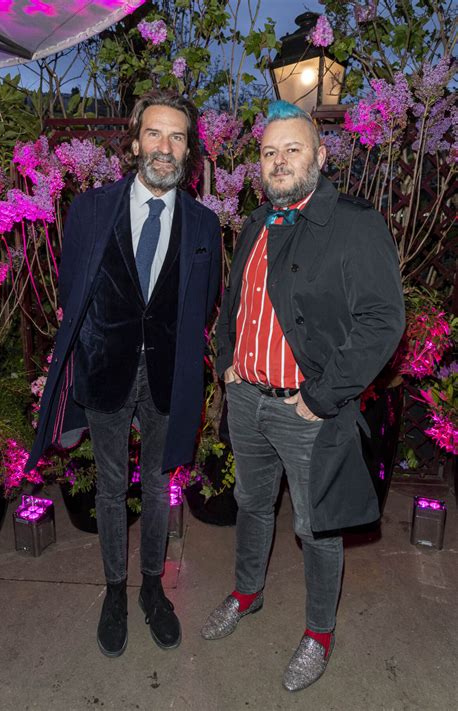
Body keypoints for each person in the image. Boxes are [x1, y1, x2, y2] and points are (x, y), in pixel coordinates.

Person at [201, 100, 405, 691]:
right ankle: (247, 593)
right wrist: (225, 363)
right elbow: (234, 300)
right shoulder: (258, 223)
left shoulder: (353, 223)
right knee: (251, 502)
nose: (280, 161)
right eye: (269, 153)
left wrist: (320, 397)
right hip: (247, 401)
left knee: (317, 527)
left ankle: (318, 633)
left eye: (293, 149)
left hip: (305, 410)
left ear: (319, 154)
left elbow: (382, 320)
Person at [26, 90, 221, 657]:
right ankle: (115, 590)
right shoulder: (90, 209)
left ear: (191, 151)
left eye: (178, 137)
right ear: (135, 141)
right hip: (108, 369)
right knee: (111, 487)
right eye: (155, 134)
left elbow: (202, 302)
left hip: (167, 375)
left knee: (159, 485)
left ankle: (152, 589)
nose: (165, 148)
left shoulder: (205, 225)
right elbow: (73, 287)